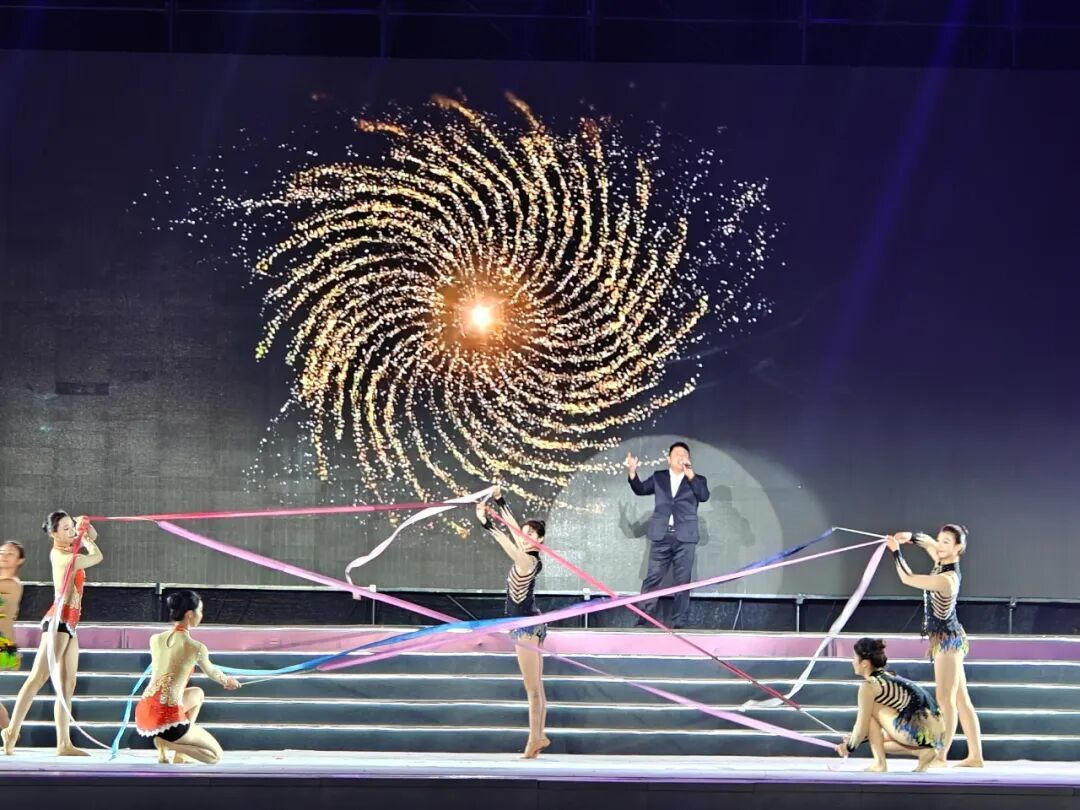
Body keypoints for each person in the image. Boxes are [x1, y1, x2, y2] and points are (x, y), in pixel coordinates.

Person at [2, 511, 103, 756]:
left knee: (68, 683)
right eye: (66, 529)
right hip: (58, 621)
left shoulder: (69, 549)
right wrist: (85, 537)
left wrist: (85, 526)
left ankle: (63, 743)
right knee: (38, 677)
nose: (71, 532)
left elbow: (93, 535)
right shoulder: (63, 557)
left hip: (71, 623)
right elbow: (97, 556)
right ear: (54, 534)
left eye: (71, 527)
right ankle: (11, 731)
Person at [888, 526, 984, 768]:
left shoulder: (946, 579)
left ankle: (940, 756)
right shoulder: (942, 562)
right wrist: (910, 537)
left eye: (946, 542)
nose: (940, 546)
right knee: (961, 699)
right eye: (941, 541)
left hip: (948, 643)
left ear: (958, 548)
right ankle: (975, 757)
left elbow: (908, 578)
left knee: (946, 700)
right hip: (947, 639)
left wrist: (896, 552)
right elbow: (929, 543)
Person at [475, 487, 550, 759]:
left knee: (532, 687)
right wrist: (499, 500)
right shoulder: (526, 554)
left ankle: (534, 739)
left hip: (526, 627)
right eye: (525, 532)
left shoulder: (528, 560)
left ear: (539, 540)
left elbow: (509, 542)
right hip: (530, 623)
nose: (524, 536)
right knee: (536, 686)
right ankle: (538, 736)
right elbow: (515, 531)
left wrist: (488, 525)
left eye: (531, 534)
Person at [136, 590, 240, 764]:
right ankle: (168, 744)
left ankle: (179, 753)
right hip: (167, 719)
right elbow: (212, 672)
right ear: (190, 614)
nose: (201, 615)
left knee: (197, 693)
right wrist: (228, 681)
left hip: (145, 712)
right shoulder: (195, 647)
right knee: (214, 756)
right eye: (200, 611)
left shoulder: (155, 639)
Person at [625, 442, 710, 627]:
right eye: (677, 454)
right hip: (661, 535)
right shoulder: (659, 477)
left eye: (684, 454)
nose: (681, 457)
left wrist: (691, 476)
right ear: (669, 459)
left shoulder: (697, 480)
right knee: (652, 579)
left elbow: (703, 496)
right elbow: (641, 489)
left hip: (685, 538)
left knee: (683, 582)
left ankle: (679, 622)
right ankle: (644, 619)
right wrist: (632, 473)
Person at [834, 637, 943, 772]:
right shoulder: (889, 676)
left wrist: (849, 747)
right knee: (878, 741)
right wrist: (857, 738)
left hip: (919, 730)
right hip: (937, 732)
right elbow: (873, 731)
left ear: (865, 664)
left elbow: (862, 726)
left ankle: (879, 764)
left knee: (870, 711)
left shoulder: (869, 686)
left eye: (854, 658)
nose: (852, 662)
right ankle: (923, 752)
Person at [1, 541, 27, 730]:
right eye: (2, 552)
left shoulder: (13, 585)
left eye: (10, 553)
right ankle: (9, 732)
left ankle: (9, 731)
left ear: (20, 560)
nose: (4, 556)